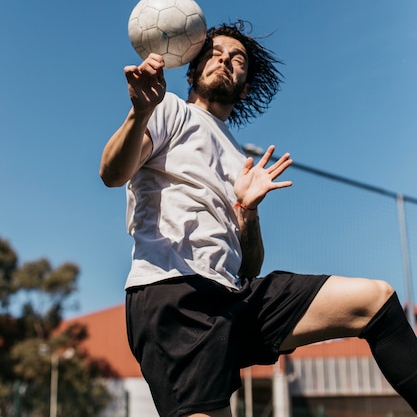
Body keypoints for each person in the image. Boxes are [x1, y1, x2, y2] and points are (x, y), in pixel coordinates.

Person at [100, 21, 417, 417]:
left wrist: (247, 210)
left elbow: (251, 266)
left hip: (235, 294)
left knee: (374, 299)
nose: (226, 60)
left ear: (245, 86)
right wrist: (140, 113)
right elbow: (112, 174)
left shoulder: (240, 156)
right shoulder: (169, 111)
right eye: (215, 53)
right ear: (193, 70)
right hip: (176, 293)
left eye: (238, 59)